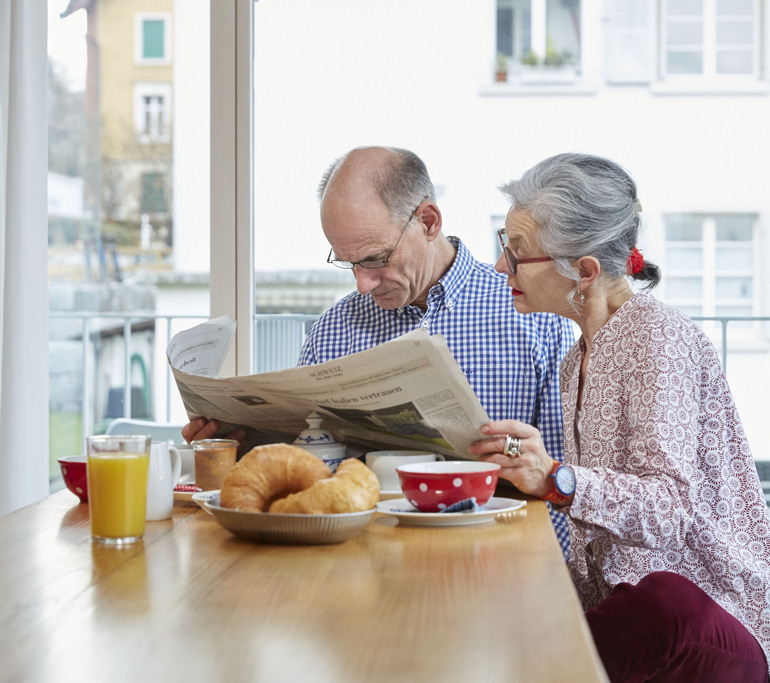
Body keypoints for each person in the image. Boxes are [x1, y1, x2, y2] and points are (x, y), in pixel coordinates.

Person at [468, 152, 770, 682]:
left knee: (657, 603)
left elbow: (669, 512)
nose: (501, 265)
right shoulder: (579, 356)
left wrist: (556, 478)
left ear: (585, 272)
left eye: (516, 250)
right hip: (629, 615)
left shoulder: (658, 338)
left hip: (715, 622)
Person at [183, 146, 578, 553]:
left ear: (428, 221)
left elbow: (566, 482)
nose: (363, 285)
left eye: (376, 259)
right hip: (358, 568)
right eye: (348, 263)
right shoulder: (333, 330)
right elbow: (309, 475)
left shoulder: (536, 314)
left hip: (493, 561)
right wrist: (239, 444)